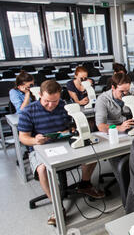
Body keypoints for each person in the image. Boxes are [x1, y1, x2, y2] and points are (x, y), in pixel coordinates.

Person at [18, 80, 104, 226]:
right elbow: (23, 137)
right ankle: (56, 205)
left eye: (55, 101)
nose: (51, 105)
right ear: (39, 95)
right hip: (40, 147)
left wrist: (68, 131)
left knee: (91, 150)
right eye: (47, 101)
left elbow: (71, 126)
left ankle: (84, 183)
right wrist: (35, 140)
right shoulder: (28, 111)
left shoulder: (64, 106)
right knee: (42, 169)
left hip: (64, 144)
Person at [95, 72, 134, 205]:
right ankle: (129, 195)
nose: (125, 94)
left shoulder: (131, 94)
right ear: (113, 88)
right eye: (122, 91)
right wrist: (118, 127)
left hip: (132, 132)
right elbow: (100, 126)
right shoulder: (103, 99)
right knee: (121, 161)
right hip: (114, 135)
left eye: (127, 90)